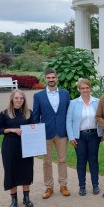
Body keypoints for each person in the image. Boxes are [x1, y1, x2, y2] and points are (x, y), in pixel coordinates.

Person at [33, 68, 71, 199]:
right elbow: (35, 116)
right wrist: (36, 134)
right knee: (47, 162)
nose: (51, 80)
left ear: (57, 78)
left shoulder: (66, 94)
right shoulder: (38, 96)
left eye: (53, 78)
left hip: (62, 132)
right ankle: (49, 187)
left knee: (62, 160)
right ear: (45, 79)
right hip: (45, 133)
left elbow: (68, 114)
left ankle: (63, 185)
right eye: (48, 78)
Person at [0, 90, 34, 207]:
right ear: (12, 99)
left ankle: (26, 198)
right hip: (10, 145)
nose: (19, 100)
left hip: (26, 145)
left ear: (24, 100)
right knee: (11, 171)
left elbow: (33, 128)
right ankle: (14, 199)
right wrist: (11, 130)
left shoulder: (28, 113)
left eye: (21, 98)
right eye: (16, 98)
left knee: (26, 170)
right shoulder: (4, 114)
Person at [66, 79, 103, 196]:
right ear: (79, 89)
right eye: (82, 88)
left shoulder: (97, 101)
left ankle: (95, 185)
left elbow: (101, 118)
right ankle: (82, 186)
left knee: (93, 160)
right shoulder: (73, 103)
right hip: (79, 137)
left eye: (87, 88)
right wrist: (71, 137)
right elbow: (68, 121)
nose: (85, 90)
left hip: (94, 135)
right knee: (81, 161)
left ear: (90, 88)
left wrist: (101, 134)